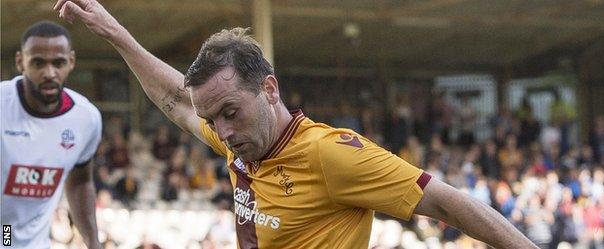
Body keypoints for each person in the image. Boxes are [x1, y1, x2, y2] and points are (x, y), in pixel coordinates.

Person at [55, 0, 537, 248]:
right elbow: (175, 99)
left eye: (229, 113)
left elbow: (447, 203)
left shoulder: (331, 154)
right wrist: (115, 33)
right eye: (212, 119)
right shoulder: (241, 143)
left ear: (269, 90)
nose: (221, 132)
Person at [1, 21, 102, 249]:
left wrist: (94, 243)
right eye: (38, 63)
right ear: (21, 62)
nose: (49, 73)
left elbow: (80, 182)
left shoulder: (86, 119)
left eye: (58, 63)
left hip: (33, 240)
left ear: (71, 62)